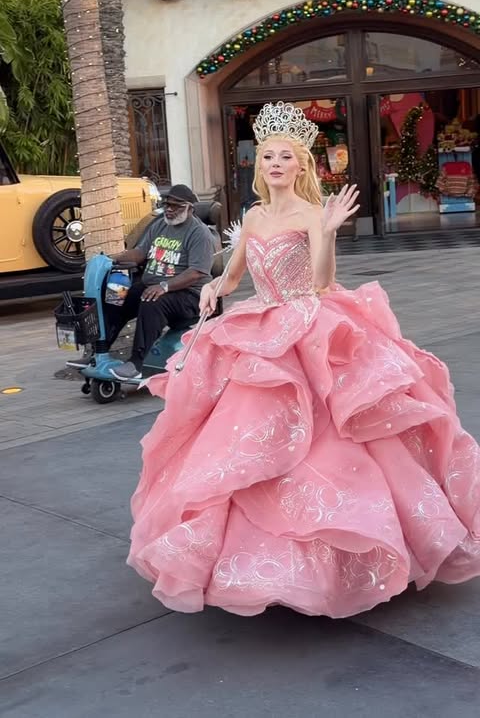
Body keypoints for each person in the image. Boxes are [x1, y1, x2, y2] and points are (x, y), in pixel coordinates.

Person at [128, 101, 480, 617]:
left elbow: (318, 280)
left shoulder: (312, 213)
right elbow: (233, 275)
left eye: (285, 156)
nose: (274, 163)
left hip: (310, 322)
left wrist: (330, 228)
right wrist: (212, 289)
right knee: (245, 432)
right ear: (258, 165)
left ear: (301, 165)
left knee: (330, 434)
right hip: (262, 322)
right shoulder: (252, 216)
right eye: (266, 155)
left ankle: (343, 559)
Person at [106, 184, 215, 381]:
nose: (170, 210)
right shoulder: (160, 224)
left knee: (151, 301)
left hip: (190, 295)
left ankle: (136, 364)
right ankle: (100, 352)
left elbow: (196, 273)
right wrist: (112, 258)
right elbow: (140, 253)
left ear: (190, 208)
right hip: (156, 286)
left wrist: (164, 286)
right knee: (117, 295)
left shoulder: (199, 233)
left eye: (176, 206)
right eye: (167, 205)